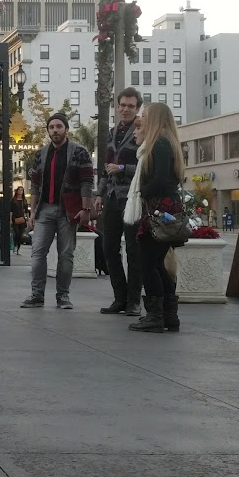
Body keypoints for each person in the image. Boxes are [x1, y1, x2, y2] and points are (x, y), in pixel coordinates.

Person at [124, 102, 186, 333]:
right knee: (157, 263)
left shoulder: (160, 143)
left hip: (158, 209)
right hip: (165, 208)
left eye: (145, 114)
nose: (141, 118)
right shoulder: (165, 141)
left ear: (156, 118)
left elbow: (160, 179)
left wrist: (142, 192)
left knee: (148, 264)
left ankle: (155, 315)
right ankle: (169, 315)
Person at [22, 113, 94, 310]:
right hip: (45, 210)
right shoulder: (41, 154)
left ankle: (63, 296)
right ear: (48, 131)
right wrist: (33, 212)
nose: (55, 130)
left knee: (66, 255)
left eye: (59, 126)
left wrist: (86, 209)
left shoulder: (79, 152)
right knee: (37, 253)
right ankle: (37, 295)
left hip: (67, 211)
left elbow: (86, 182)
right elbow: (35, 185)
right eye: (52, 127)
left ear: (66, 129)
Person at [97, 88, 143, 316]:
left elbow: (147, 166)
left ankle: (134, 301)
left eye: (130, 106)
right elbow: (105, 165)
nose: (125, 109)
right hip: (112, 197)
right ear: (117, 106)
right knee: (109, 248)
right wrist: (99, 193)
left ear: (137, 108)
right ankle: (120, 298)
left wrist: (123, 167)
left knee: (134, 251)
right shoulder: (111, 132)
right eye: (122, 105)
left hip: (133, 198)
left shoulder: (142, 130)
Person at [10, 187, 29, 255]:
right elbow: (11, 211)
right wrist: (10, 220)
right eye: (19, 190)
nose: (20, 191)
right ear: (17, 191)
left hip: (22, 219)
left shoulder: (24, 200)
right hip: (15, 219)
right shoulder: (13, 200)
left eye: (22, 190)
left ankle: (18, 248)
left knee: (20, 235)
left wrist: (28, 219)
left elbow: (26, 210)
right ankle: (15, 246)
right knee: (16, 233)